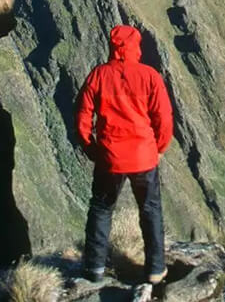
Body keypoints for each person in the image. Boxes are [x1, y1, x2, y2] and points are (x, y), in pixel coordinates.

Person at [75, 24, 175, 285]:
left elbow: (83, 115)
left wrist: (92, 148)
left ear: (112, 46)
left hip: (109, 156)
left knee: (101, 209)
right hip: (143, 155)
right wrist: (160, 148)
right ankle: (155, 269)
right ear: (136, 46)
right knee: (151, 210)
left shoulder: (99, 75)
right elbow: (164, 118)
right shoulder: (149, 76)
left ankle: (94, 268)